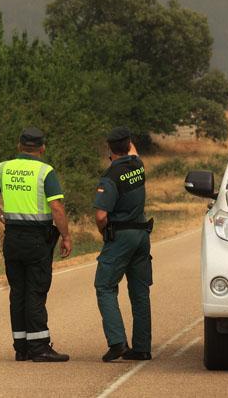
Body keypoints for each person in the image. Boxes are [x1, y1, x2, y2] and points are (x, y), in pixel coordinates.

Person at [0, 127, 73, 362]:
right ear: (42, 148)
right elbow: (57, 208)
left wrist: (2, 216)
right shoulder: (45, 171)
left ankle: (22, 347)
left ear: (19, 146)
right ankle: (39, 347)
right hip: (37, 239)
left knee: (18, 291)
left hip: (12, 238)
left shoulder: (4, 168)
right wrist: (66, 236)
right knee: (36, 291)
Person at [93, 126, 153, 362]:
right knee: (139, 292)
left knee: (105, 287)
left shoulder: (110, 177)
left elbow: (100, 215)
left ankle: (117, 342)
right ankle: (142, 348)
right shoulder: (138, 166)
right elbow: (134, 153)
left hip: (121, 237)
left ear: (110, 149)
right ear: (129, 145)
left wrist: (103, 232)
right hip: (141, 235)